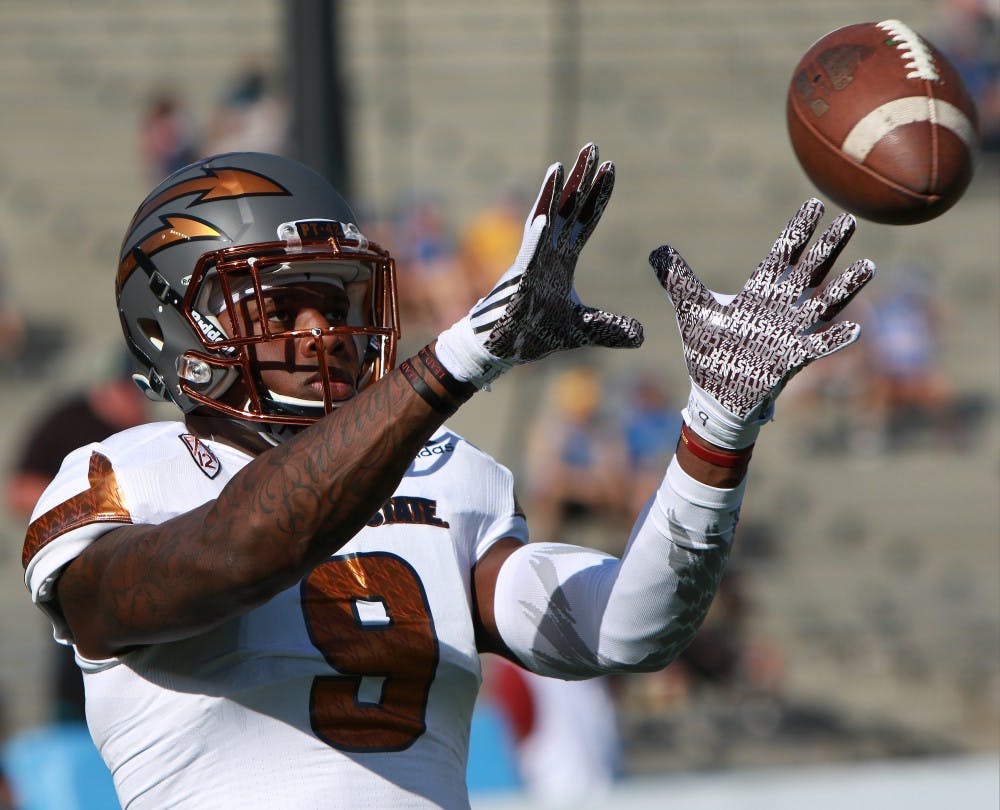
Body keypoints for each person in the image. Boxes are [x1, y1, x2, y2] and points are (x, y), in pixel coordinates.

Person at [20, 144, 874, 809]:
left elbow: (626, 630)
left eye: (340, 302)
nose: (324, 333)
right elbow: (238, 550)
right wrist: (460, 355)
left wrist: (717, 433)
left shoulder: (450, 475)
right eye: (285, 308)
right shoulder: (123, 472)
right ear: (173, 327)